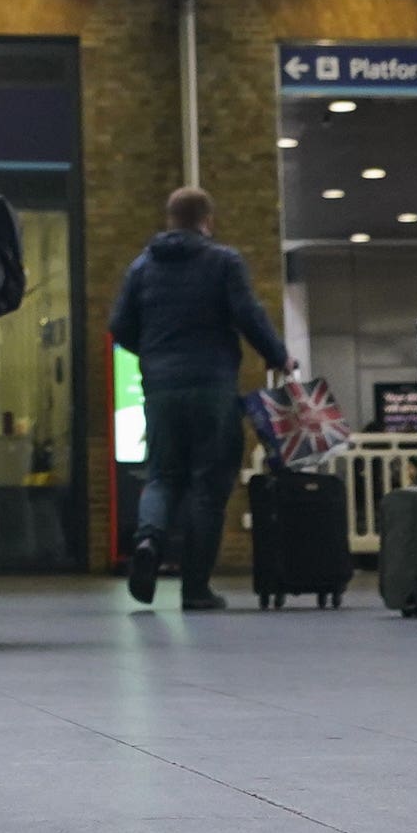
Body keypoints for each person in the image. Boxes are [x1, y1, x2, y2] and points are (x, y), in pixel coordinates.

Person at [108, 186, 293, 613]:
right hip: (212, 387)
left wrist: (153, 356)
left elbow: (119, 326)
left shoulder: (142, 267)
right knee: (208, 487)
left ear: (170, 219)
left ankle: (149, 540)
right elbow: (249, 314)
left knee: (162, 475)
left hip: (159, 388)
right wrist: (279, 357)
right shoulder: (223, 261)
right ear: (206, 221)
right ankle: (195, 588)